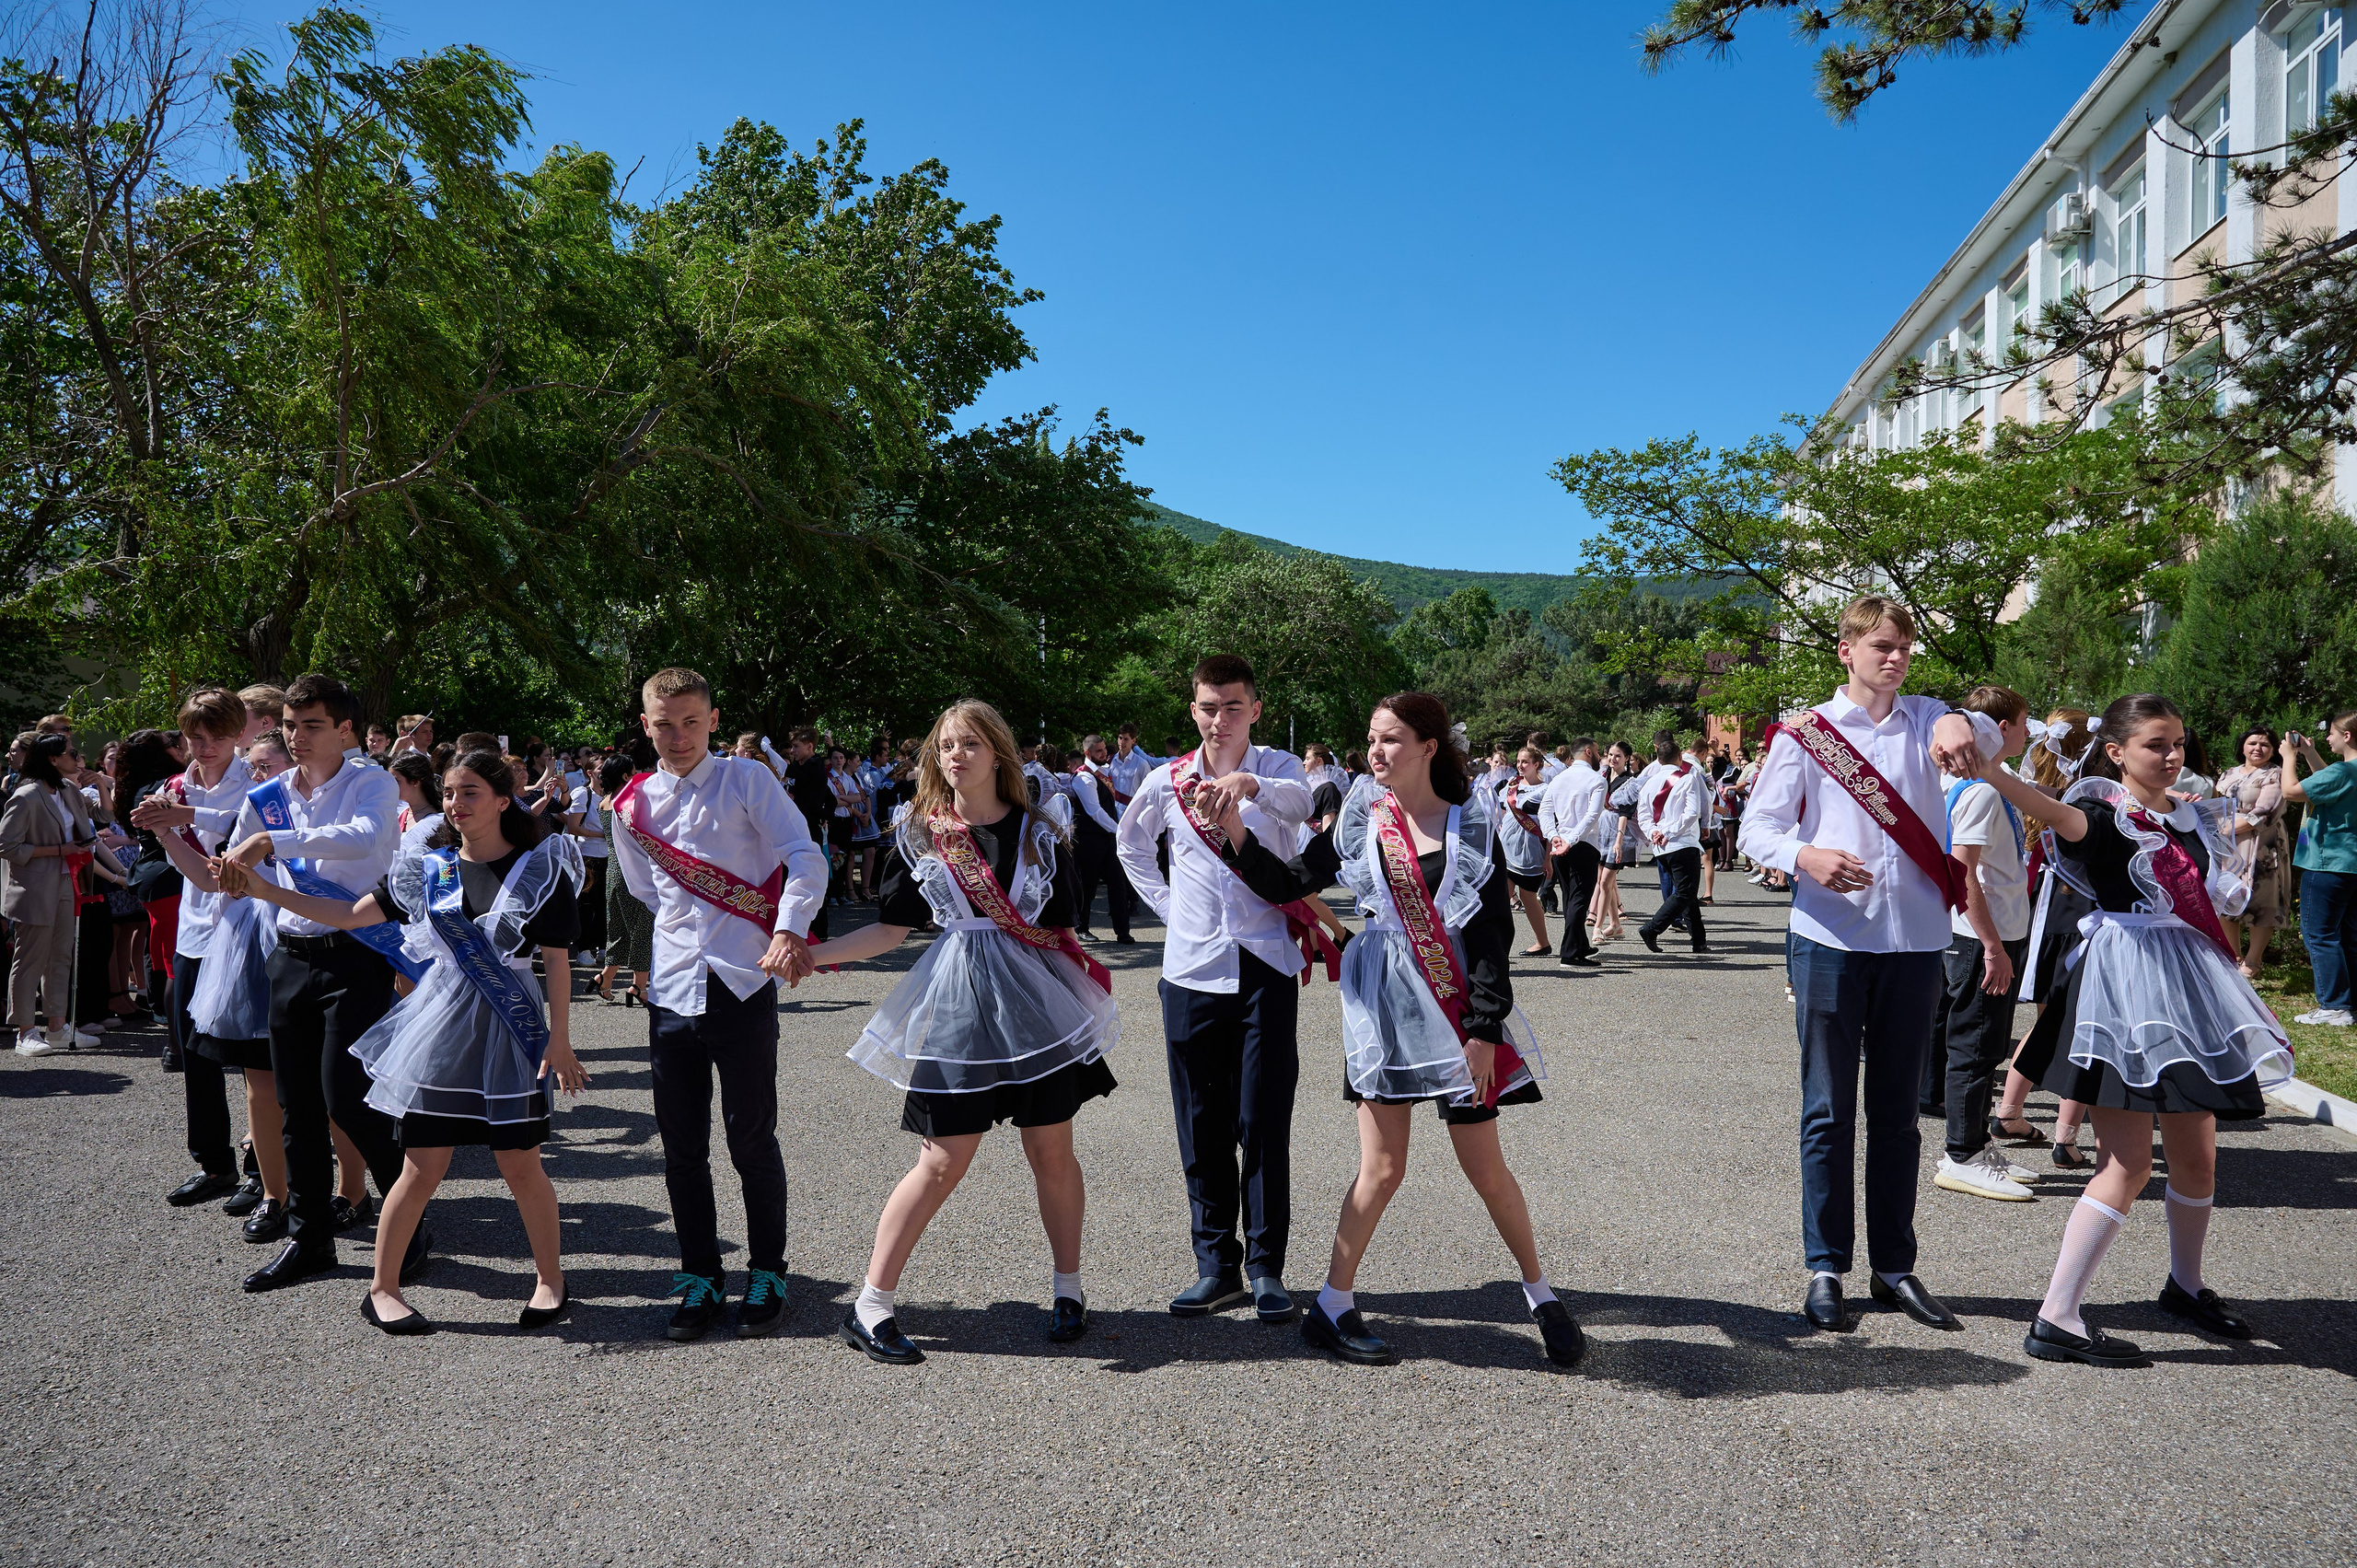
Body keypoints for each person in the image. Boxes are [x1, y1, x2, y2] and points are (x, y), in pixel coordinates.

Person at [1209, 692, 1579, 1369]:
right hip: (1384, 1009)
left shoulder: (1473, 821)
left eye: (1391, 739)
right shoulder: (1363, 812)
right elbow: (1290, 881)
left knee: (1486, 1168)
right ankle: (1332, 1305)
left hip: (1455, 1007)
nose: (1376, 751)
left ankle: (1541, 1295)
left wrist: (1483, 1029)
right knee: (1382, 1168)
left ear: (1429, 747)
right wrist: (1236, 832)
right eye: (1372, 739)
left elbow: (1491, 938)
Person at [1968, 693, 2293, 1365]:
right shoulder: (2097, 814)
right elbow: (2038, 803)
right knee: (2128, 1164)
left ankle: (2186, 1285)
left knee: (2198, 1158)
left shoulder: (2192, 815)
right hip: (2122, 995)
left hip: (2189, 992)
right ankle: (2057, 1316)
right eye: (2155, 744)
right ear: (2116, 752)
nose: (2172, 755)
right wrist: (1989, 765)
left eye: (2178, 743)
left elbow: (2215, 895)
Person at [218, 749, 588, 1333]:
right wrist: (266, 890)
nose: (455, 803)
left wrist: (560, 1040)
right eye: (449, 792)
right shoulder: (429, 869)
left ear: (502, 800)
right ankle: (382, 1289)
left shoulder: (537, 870)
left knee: (521, 1163)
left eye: (470, 792)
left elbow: (557, 961)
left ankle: (549, 1280)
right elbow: (348, 916)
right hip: (439, 1025)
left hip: (510, 1026)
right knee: (420, 1165)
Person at [806, 701, 1118, 1363]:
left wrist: (1083, 998)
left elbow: (1061, 926)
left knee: (1051, 1151)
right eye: (946, 745)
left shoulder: (1040, 830)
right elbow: (890, 929)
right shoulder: (921, 831)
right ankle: (870, 1305)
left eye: (970, 743)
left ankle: (1068, 1290)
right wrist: (813, 954)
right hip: (956, 1003)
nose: (956, 755)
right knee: (941, 1159)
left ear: (998, 751)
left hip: (1034, 1007)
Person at [1736, 596, 1996, 1333]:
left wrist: (1960, 718)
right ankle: (1826, 1266)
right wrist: (1805, 855)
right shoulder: (1807, 734)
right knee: (1827, 1110)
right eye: (1882, 645)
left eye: (1905, 646)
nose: (1896, 657)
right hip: (1830, 938)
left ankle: (1894, 1267)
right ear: (1846, 651)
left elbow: (1986, 735)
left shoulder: (1927, 719)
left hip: (1914, 943)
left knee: (1898, 1115)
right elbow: (1757, 827)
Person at [607, 669, 828, 1341]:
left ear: (713, 719)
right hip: (673, 989)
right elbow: (646, 890)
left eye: (691, 722)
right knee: (682, 1148)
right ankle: (700, 1275)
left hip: (742, 982)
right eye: (664, 724)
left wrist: (787, 927)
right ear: (645, 724)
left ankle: (767, 1272)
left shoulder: (747, 780)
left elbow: (805, 855)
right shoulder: (632, 804)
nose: (678, 736)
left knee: (751, 1139)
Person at [1116, 654, 1322, 1324]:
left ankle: (1266, 1267)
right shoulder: (1165, 780)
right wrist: (1170, 908)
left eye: (1233, 706)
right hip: (1191, 968)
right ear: (1193, 709)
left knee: (1262, 1118)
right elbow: (1130, 846)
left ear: (1255, 710)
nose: (1220, 719)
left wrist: (1249, 783)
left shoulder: (1280, 769)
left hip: (1265, 963)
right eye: (1208, 706)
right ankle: (1215, 1264)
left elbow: (1308, 803)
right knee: (1200, 1120)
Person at [212, 676, 425, 1293]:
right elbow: (235, 861)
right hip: (290, 955)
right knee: (296, 1105)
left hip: (355, 956)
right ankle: (310, 1239)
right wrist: (214, 863)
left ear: (345, 729)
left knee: (347, 1097)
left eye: (311, 725)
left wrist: (271, 841)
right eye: (288, 725)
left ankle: (409, 1221)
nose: (295, 736)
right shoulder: (271, 793)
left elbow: (364, 837)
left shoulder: (371, 782)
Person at [123, 692, 255, 1205]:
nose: (205, 747)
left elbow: (240, 823)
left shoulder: (257, 780)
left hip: (247, 928)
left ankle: (264, 1170)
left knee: (256, 1058)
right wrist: (162, 822)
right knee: (194, 1051)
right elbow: (173, 850)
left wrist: (179, 815)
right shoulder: (175, 785)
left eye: (216, 737)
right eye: (195, 737)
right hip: (195, 928)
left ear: (239, 734)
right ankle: (214, 1163)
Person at [1927, 686, 2043, 1203]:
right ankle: (1961, 1155)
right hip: (1982, 937)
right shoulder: (1980, 792)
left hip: (1994, 932)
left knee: (1987, 1044)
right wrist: (1993, 947)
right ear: (1999, 730)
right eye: (2023, 722)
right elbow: (1964, 873)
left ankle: (1976, 1145)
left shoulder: (1989, 784)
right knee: (1974, 1048)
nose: (2028, 732)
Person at [180, 727, 292, 1237]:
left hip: (304, 936)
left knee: (318, 1084)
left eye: (267, 766)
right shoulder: (255, 804)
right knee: (258, 1077)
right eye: (256, 766)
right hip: (249, 942)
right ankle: (271, 1190)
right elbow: (217, 875)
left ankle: (347, 1191)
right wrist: (169, 832)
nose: (259, 775)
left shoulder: (316, 804)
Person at [1992, 708, 2099, 1168]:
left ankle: (2009, 1111)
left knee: (2049, 1021)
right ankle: (2066, 1137)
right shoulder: (2090, 797)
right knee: (2086, 1026)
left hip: (2046, 910)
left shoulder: (2037, 790)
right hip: (2084, 915)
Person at [5, 734, 98, 1055]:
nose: (77, 757)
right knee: (31, 958)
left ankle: (57, 1027)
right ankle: (25, 1032)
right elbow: (7, 846)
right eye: (71, 753)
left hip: (65, 881)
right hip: (34, 886)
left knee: (61, 955)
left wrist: (104, 784)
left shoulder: (68, 789)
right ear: (53, 759)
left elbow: (103, 816)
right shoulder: (26, 795)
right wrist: (60, 850)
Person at [2284, 709, 2357, 1028]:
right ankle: (2349, 1003)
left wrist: (2289, 757)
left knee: (2320, 933)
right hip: (2350, 863)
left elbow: (2291, 792)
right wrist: (2310, 753)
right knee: (2348, 934)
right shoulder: (2346, 772)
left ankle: (2334, 1006)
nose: (2327, 738)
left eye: (2331, 733)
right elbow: (2328, 782)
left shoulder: (2342, 771)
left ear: (2347, 736)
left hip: (2326, 863)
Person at [2214, 727, 2290, 983]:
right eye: (2252, 743)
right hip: (2227, 845)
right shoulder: (2229, 773)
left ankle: (2253, 961)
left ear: (2273, 749)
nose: (2258, 748)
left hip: (2260, 844)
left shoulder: (2275, 774)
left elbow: (2266, 813)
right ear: (2243, 746)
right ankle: (2233, 956)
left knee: (2260, 901)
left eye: (2264, 744)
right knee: (2226, 896)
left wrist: (2225, 828)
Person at [1636, 732, 1711, 956]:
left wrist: (1654, 832)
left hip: (1661, 846)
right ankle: (1652, 928)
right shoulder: (1687, 778)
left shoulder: (1649, 783)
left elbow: (1643, 815)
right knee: (1685, 892)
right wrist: (1668, 832)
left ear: (1658, 759)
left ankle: (1699, 941)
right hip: (1682, 842)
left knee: (1686, 893)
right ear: (1680, 757)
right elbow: (1692, 813)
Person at [1538, 738, 1608, 969]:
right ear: (1588, 752)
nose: (1599, 755)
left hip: (1561, 843)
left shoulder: (1559, 778)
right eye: (1597, 751)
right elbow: (1592, 816)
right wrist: (1570, 839)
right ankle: (1569, 953)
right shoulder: (1597, 780)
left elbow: (1544, 812)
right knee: (1579, 898)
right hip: (1582, 843)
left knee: (1570, 897)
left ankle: (1580, 944)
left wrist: (1553, 835)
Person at [592, 756, 653, 1006]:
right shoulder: (627, 802)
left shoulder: (604, 802)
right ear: (626, 776)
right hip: (633, 872)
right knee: (642, 929)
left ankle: (605, 977)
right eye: (634, 771)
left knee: (616, 928)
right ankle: (639, 986)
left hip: (613, 871)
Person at [1071, 734, 1136, 944]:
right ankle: (1081, 927)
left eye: (1104, 749)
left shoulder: (1103, 773)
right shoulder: (1083, 777)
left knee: (1118, 884)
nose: (1104, 753)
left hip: (1108, 838)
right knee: (1088, 885)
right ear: (1087, 753)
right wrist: (1120, 831)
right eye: (1099, 751)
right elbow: (1095, 812)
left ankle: (1123, 931)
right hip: (1089, 840)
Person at [1492, 746, 1553, 955]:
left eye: (1525, 762)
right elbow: (1501, 811)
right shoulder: (1511, 785)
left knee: (1528, 898)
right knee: (1501, 898)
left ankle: (1543, 943)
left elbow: (1550, 825)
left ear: (1536, 764)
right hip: (1506, 848)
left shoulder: (1545, 790)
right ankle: (1498, 948)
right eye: (1518, 761)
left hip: (1530, 852)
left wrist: (1548, 859)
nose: (1520, 765)